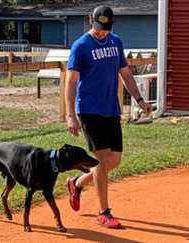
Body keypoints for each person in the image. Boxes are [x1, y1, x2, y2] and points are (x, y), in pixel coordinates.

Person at [65, 5, 152, 229]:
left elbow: (126, 74)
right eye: (98, 27)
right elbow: (71, 82)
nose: (102, 32)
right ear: (89, 21)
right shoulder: (81, 46)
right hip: (89, 109)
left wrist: (140, 100)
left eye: (105, 28)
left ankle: (76, 183)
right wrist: (70, 115)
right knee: (102, 161)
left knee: (114, 161)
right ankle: (104, 212)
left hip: (111, 109)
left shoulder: (116, 42)